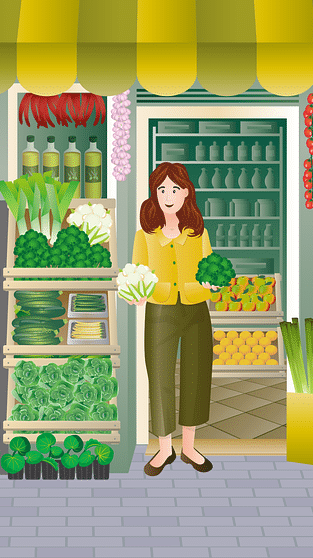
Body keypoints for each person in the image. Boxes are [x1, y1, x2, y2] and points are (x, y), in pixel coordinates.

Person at [129, 162, 215, 476]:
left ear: (186, 193)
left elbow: (210, 268)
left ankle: (189, 447)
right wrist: (136, 291)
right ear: (154, 194)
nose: (168, 195)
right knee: (160, 376)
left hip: (195, 307)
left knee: (196, 375)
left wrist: (213, 284)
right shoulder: (145, 235)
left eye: (174, 189)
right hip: (160, 309)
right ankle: (164, 448)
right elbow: (136, 271)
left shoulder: (198, 234)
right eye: (162, 189)